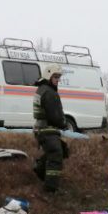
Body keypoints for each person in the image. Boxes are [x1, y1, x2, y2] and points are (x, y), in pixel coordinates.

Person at [32, 62, 68, 193]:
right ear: (48, 76)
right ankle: (50, 188)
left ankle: (39, 167)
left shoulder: (42, 89)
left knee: (59, 151)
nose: (58, 80)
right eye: (56, 77)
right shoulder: (49, 93)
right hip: (48, 129)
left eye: (59, 77)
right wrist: (64, 124)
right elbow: (55, 115)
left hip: (41, 129)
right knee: (56, 154)